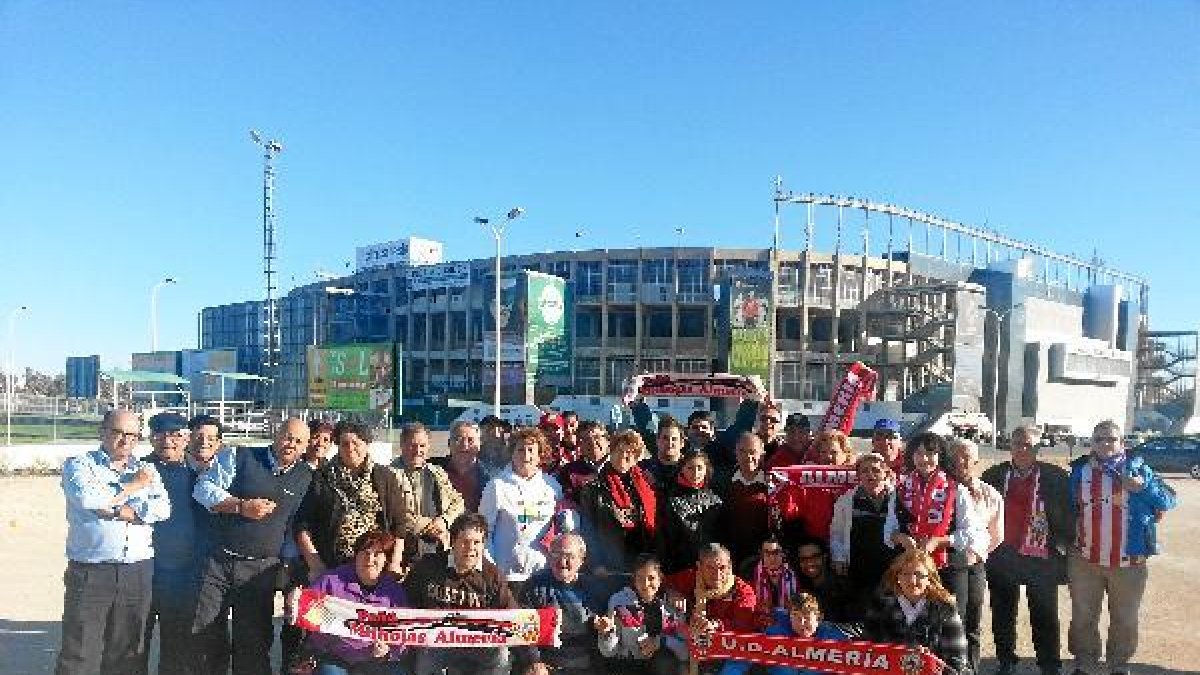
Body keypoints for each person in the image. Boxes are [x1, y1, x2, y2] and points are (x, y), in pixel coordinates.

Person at [191, 417, 314, 675]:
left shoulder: (305, 477)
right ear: (276, 433)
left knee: (254, 644)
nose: (291, 444)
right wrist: (240, 506)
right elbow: (203, 490)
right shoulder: (240, 456)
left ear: (305, 447)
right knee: (205, 636)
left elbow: (293, 527)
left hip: (260, 571)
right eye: (287, 436)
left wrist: (290, 567)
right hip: (217, 564)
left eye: (298, 441)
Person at [56, 410, 170, 675]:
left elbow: (162, 510)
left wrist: (118, 508)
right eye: (118, 432)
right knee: (80, 650)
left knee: (128, 650)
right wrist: (133, 489)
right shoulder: (79, 465)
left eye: (131, 435)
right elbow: (90, 500)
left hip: (137, 570)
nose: (125, 440)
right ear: (102, 432)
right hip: (91, 571)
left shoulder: (147, 468)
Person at [1066, 420, 1176, 675]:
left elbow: (1169, 500)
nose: (1105, 443)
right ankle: (1085, 663)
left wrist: (1144, 488)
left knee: (1125, 619)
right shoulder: (1078, 472)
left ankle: (1118, 664)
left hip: (1129, 562)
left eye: (1111, 439)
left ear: (1122, 443)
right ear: (1091, 443)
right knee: (1083, 617)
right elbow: (1067, 508)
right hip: (1085, 560)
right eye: (1100, 439)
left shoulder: (1139, 469)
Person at [981, 424, 1072, 675]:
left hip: (1040, 557)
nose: (1022, 449)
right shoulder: (993, 475)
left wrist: (1064, 545)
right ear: (1009, 446)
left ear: (1039, 448)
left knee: (1045, 613)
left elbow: (1070, 512)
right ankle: (1006, 660)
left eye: (1029, 444)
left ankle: (1050, 663)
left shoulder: (1055, 476)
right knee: (1002, 612)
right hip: (1003, 555)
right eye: (1017, 443)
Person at [884, 431, 987, 645]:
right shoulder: (901, 488)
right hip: (910, 571)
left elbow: (970, 532)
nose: (924, 459)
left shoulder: (955, 488)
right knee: (915, 628)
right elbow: (889, 530)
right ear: (911, 456)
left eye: (931, 453)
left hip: (948, 567)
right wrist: (901, 538)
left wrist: (938, 542)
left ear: (940, 456)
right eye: (919, 453)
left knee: (954, 628)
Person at [405, 513, 519, 675]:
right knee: (423, 656)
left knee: (501, 654)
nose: (471, 548)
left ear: (483, 545)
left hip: (478, 645)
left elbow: (513, 616)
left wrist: (533, 660)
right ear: (452, 542)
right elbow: (405, 601)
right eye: (465, 542)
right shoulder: (429, 566)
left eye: (476, 542)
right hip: (436, 643)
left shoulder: (493, 576)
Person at [296, 420, 407, 579]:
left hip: (374, 566)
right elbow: (302, 524)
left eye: (356, 443)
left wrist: (395, 562)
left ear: (367, 444)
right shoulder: (322, 477)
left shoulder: (384, 477)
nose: (350, 448)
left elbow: (400, 525)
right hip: (333, 566)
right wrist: (315, 565)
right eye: (344, 444)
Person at [142, 412, 208, 675]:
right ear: (151, 438)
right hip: (143, 573)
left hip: (183, 576)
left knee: (177, 648)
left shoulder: (200, 475)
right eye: (160, 435)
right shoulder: (138, 469)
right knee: (133, 645)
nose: (168, 441)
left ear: (186, 439)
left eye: (175, 435)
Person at [304, 530, 409, 675]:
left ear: (386, 560)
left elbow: (405, 633)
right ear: (356, 556)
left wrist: (388, 651)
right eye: (365, 553)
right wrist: (295, 598)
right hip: (336, 656)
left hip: (376, 660)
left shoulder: (394, 591)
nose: (370, 559)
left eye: (377, 554)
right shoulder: (331, 580)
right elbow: (306, 610)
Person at [479, 427, 566, 590]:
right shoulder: (496, 486)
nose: (526, 455)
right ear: (512, 453)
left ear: (540, 454)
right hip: (506, 576)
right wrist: (491, 568)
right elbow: (484, 531)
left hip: (543, 573)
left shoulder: (553, 487)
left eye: (531, 450)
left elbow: (559, 529)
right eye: (520, 449)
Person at [946, 437, 1004, 675]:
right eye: (955, 456)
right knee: (949, 623)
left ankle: (973, 668)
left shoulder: (991, 495)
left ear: (976, 461)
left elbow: (996, 535)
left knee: (972, 622)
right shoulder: (940, 491)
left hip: (975, 565)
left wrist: (975, 554)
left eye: (966, 457)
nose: (960, 462)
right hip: (945, 566)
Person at [864, 550, 969, 675]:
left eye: (919, 574)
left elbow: (958, 664)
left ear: (929, 578)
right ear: (897, 577)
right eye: (906, 574)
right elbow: (866, 652)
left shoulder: (945, 610)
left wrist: (930, 662)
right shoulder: (880, 606)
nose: (912, 581)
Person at [518, 533, 610, 675]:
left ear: (581, 560)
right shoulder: (535, 585)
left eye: (569, 556)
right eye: (556, 554)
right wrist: (534, 661)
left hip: (587, 667)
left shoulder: (594, 589)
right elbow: (522, 628)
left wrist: (604, 629)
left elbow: (606, 634)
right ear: (549, 557)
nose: (562, 561)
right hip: (547, 667)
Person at [665, 543, 757, 675]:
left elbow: (744, 626)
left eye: (722, 567)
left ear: (730, 565)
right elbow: (659, 583)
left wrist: (715, 626)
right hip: (690, 646)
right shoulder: (691, 578)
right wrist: (672, 593)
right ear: (699, 567)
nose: (717, 574)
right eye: (710, 568)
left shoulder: (743, 591)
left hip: (728, 650)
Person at [577, 430, 658, 576]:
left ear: (636, 458)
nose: (624, 456)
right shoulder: (593, 488)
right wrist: (596, 564)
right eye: (619, 450)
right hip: (610, 566)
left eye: (631, 453)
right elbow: (587, 531)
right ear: (611, 451)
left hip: (642, 564)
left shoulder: (647, 486)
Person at [829, 452, 897, 619]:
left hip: (891, 571)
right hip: (859, 570)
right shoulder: (845, 501)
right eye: (865, 471)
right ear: (858, 475)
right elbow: (836, 533)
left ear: (886, 473)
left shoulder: (899, 499)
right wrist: (838, 557)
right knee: (862, 615)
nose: (870, 474)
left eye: (876, 470)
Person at [598, 554, 689, 675]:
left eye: (651, 578)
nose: (646, 584)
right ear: (634, 579)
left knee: (665, 663)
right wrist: (607, 633)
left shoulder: (674, 605)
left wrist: (660, 642)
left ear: (660, 578)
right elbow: (608, 652)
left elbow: (685, 653)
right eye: (640, 578)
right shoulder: (619, 601)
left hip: (664, 668)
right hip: (629, 666)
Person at [723, 591, 848, 675]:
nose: (802, 622)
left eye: (807, 616)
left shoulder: (833, 636)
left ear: (819, 618)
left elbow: (856, 661)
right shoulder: (775, 633)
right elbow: (744, 654)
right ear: (789, 617)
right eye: (796, 616)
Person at [391, 422, 465, 559]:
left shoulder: (437, 472)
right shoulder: (388, 475)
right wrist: (427, 526)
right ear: (402, 444)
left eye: (422, 446)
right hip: (405, 551)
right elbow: (393, 510)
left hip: (438, 549)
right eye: (413, 445)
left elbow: (458, 502)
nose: (418, 451)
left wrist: (443, 521)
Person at [658, 449, 725, 575]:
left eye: (699, 468)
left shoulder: (715, 499)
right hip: (682, 568)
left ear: (706, 469)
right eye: (690, 468)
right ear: (682, 469)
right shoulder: (672, 500)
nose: (695, 473)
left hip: (712, 568)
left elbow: (722, 536)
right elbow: (666, 541)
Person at [718, 432, 770, 568]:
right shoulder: (723, 482)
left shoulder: (772, 484)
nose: (748, 457)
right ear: (735, 453)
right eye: (742, 451)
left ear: (762, 455)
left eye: (753, 452)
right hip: (730, 556)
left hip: (763, 557)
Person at [433, 420, 491, 513]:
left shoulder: (491, 477)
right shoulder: (431, 470)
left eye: (470, 440)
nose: (464, 445)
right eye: (458, 439)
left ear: (479, 444)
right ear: (449, 443)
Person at [792, 540, 853, 624]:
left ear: (824, 557)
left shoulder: (843, 588)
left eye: (815, 557)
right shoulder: (799, 587)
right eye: (803, 559)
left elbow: (857, 626)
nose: (809, 563)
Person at [744, 537, 798, 630]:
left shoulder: (795, 574)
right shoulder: (750, 573)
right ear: (761, 554)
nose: (772, 558)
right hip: (759, 627)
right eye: (767, 553)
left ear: (784, 554)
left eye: (776, 552)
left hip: (791, 626)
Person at [558, 420, 610, 506]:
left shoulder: (621, 467)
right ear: (579, 446)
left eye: (597, 437)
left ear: (608, 441)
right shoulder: (569, 471)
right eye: (585, 439)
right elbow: (569, 500)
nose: (592, 443)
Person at [638, 415, 687, 487]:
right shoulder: (643, 468)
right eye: (665, 438)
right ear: (657, 440)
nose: (670, 443)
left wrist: (655, 485)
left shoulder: (691, 468)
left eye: (674, 439)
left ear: (682, 443)